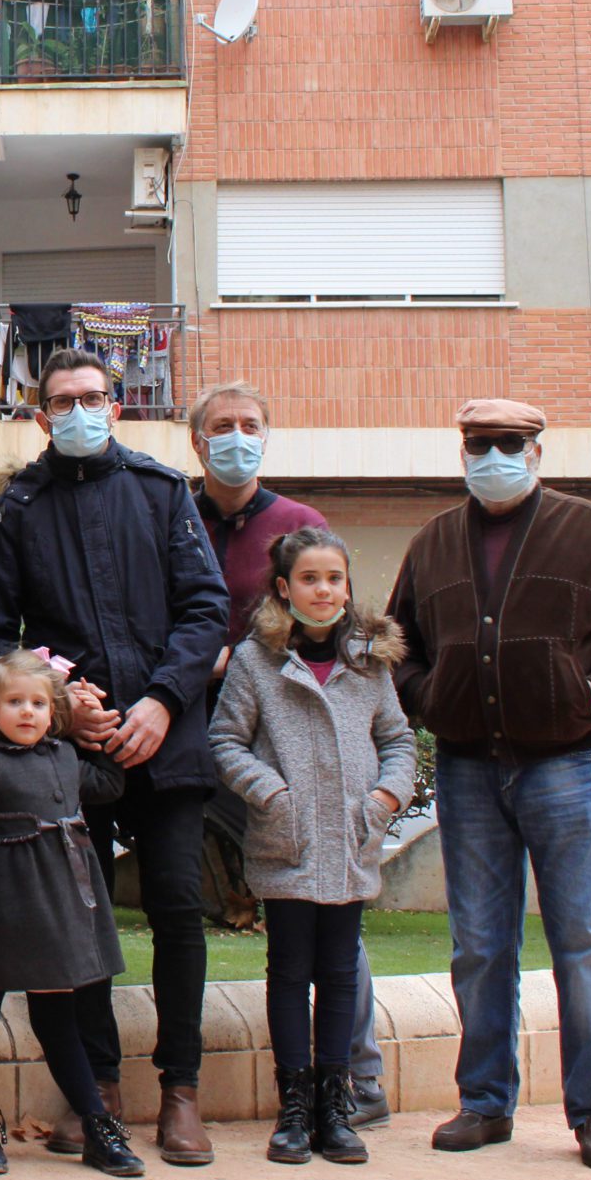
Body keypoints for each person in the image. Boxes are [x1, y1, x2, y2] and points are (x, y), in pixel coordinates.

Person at [385, 398, 591, 1173]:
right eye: (478, 444)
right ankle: (484, 1101)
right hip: (469, 766)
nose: (492, 456)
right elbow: (399, 641)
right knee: (480, 945)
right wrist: (427, 697)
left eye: (508, 444)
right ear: (462, 450)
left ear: (537, 451)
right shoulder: (435, 541)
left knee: (584, 942)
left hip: (568, 763)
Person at [0, 347, 230, 1167]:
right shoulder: (18, 510)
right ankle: (99, 1088)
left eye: (93, 397)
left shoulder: (160, 493)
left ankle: (180, 1091)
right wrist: (65, 703)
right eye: (62, 400)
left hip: (166, 740)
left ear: (115, 406)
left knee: (179, 908)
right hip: (65, 754)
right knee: (74, 916)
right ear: (41, 416)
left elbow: (207, 607)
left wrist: (161, 701)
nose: (79, 410)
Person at [187, 381, 392, 1125]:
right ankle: (298, 1097)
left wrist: (380, 794)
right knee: (283, 942)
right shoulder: (176, 513)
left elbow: (385, 722)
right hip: (209, 734)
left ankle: (354, 1082)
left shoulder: (300, 523)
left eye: (249, 425)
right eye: (220, 426)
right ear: (196, 440)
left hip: (300, 737)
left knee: (336, 921)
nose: (235, 436)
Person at [208, 526, 415, 1168]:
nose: (323, 590)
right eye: (309, 579)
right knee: (290, 973)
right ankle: (294, 1105)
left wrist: (383, 799)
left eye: (334, 579)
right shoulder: (255, 661)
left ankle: (336, 1103)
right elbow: (225, 743)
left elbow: (400, 742)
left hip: (350, 842)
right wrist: (272, 794)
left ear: (347, 587)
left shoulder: (369, 661)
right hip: (287, 842)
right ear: (283, 587)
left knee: (341, 974)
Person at [0, 650, 142, 1179]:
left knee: (58, 1020)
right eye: (14, 702)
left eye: (37, 703)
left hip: (57, 907)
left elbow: (109, 786)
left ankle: (97, 1125)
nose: (27, 713)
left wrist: (106, 727)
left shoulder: (65, 757)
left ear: (54, 710)